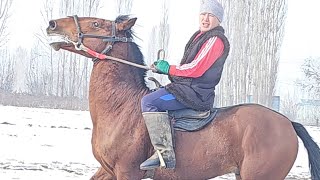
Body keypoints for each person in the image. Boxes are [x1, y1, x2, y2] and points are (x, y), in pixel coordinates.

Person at [140, 0, 230, 170]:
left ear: (218, 19)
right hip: (187, 88)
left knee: (149, 102)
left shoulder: (215, 40)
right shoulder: (200, 36)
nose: (205, 19)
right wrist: (165, 70)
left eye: (211, 15)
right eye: (203, 14)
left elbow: (196, 69)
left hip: (195, 93)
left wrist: (169, 68)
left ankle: (164, 153)